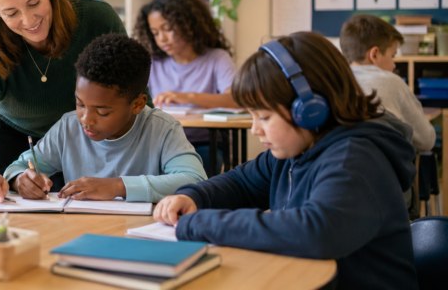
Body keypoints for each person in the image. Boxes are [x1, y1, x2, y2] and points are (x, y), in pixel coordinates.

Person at [154, 32, 418, 289]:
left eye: (265, 117)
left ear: (310, 109)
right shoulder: (294, 150)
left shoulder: (355, 159)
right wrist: (194, 197)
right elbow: (241, 183)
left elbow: (315, 232)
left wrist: (199, 223)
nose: (255, 129)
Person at [0, 0, 135, 203]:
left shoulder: (97, 18)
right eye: (11, 13)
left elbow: (134, 95)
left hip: (91, 137)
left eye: (34, 3)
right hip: (18, 143)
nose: (29, 20)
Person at [3, 34, 206, 203]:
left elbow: (195, 180)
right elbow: (18, 167)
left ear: (138, 104)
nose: (86, 119)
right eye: (80, 104)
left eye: (102, 112)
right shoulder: (68, 126)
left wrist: (118, 186)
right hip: (79, 232)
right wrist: (20, 179)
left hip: (139, 234)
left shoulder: (163, 129)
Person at [134, 0, 236, 174]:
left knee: (191, 174)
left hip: (206, 142)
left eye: (168, 29)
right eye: (155, 32)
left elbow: (236, 99)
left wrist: (188, 97)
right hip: (162, 141)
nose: (161, 39)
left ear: (189, 24)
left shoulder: (217, 58)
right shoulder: (153, 63)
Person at [340, 14, 435, 153]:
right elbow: (426, 141)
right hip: (379, 168)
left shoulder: (333, 81)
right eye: (392, 56)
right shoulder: (392, 81)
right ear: (375, 54)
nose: (394, 65)